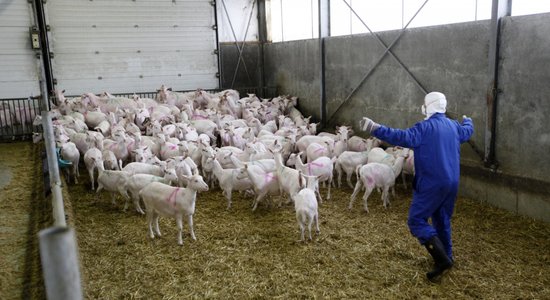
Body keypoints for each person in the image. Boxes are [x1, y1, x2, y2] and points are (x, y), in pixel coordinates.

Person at [359, 91, 474, 281]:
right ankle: (447, 255)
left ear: (429, 106)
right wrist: (468, 120)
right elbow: (467, 131)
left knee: (416, 220)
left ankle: (441, 259)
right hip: (451, 182)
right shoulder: (454, 126)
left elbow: (401, 136)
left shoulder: (424, 128)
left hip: (431, 183)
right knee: (441, 218)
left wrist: (375, 128)